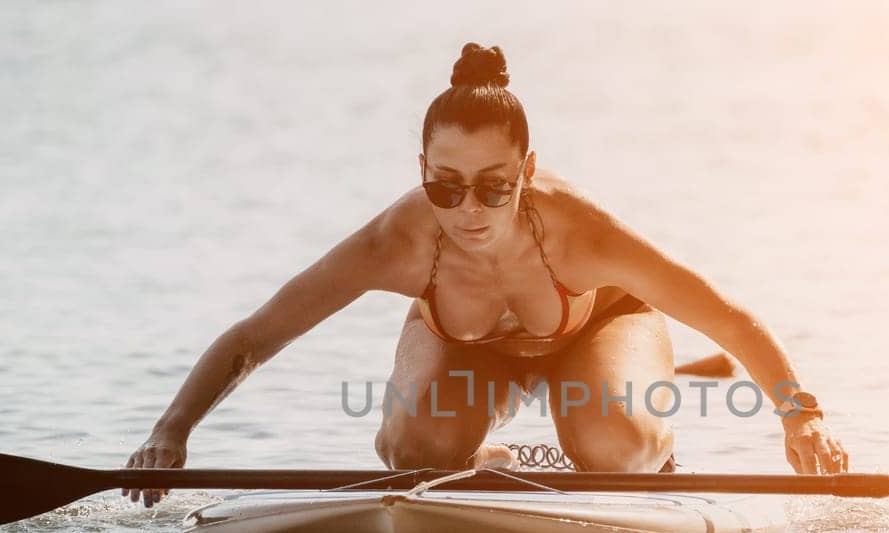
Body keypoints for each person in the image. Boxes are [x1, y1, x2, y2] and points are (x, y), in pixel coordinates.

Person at [124, 43, 846, 507]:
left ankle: (649, 453)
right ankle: (483, 454)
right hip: (471, 350)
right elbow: (258, 336)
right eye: (446, 186)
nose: (468, 209)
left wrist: (799, 416)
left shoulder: (581, 234)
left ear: (526, 173)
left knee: (609, 444)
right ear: (423, 173)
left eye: (494, 187)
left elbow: (728, 320)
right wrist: (170, 431)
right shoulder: (396, 242)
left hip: (594, 330)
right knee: (415, 450)